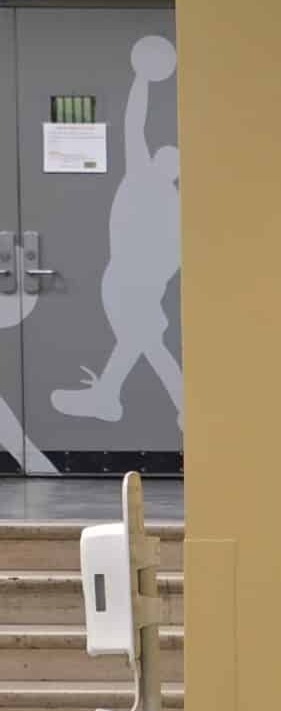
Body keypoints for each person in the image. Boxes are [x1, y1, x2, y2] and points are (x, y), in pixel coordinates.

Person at [50, 34, 182, 425]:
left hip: (131, 283)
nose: (165, 160)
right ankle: (112, 398)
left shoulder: (156, 189)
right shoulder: (150, 183)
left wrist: (142, 79)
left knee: (142, 341)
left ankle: (112, 400)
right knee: (143, 341)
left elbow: (132, 128)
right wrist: (140, 81)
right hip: (132, 282)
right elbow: (133, 124)